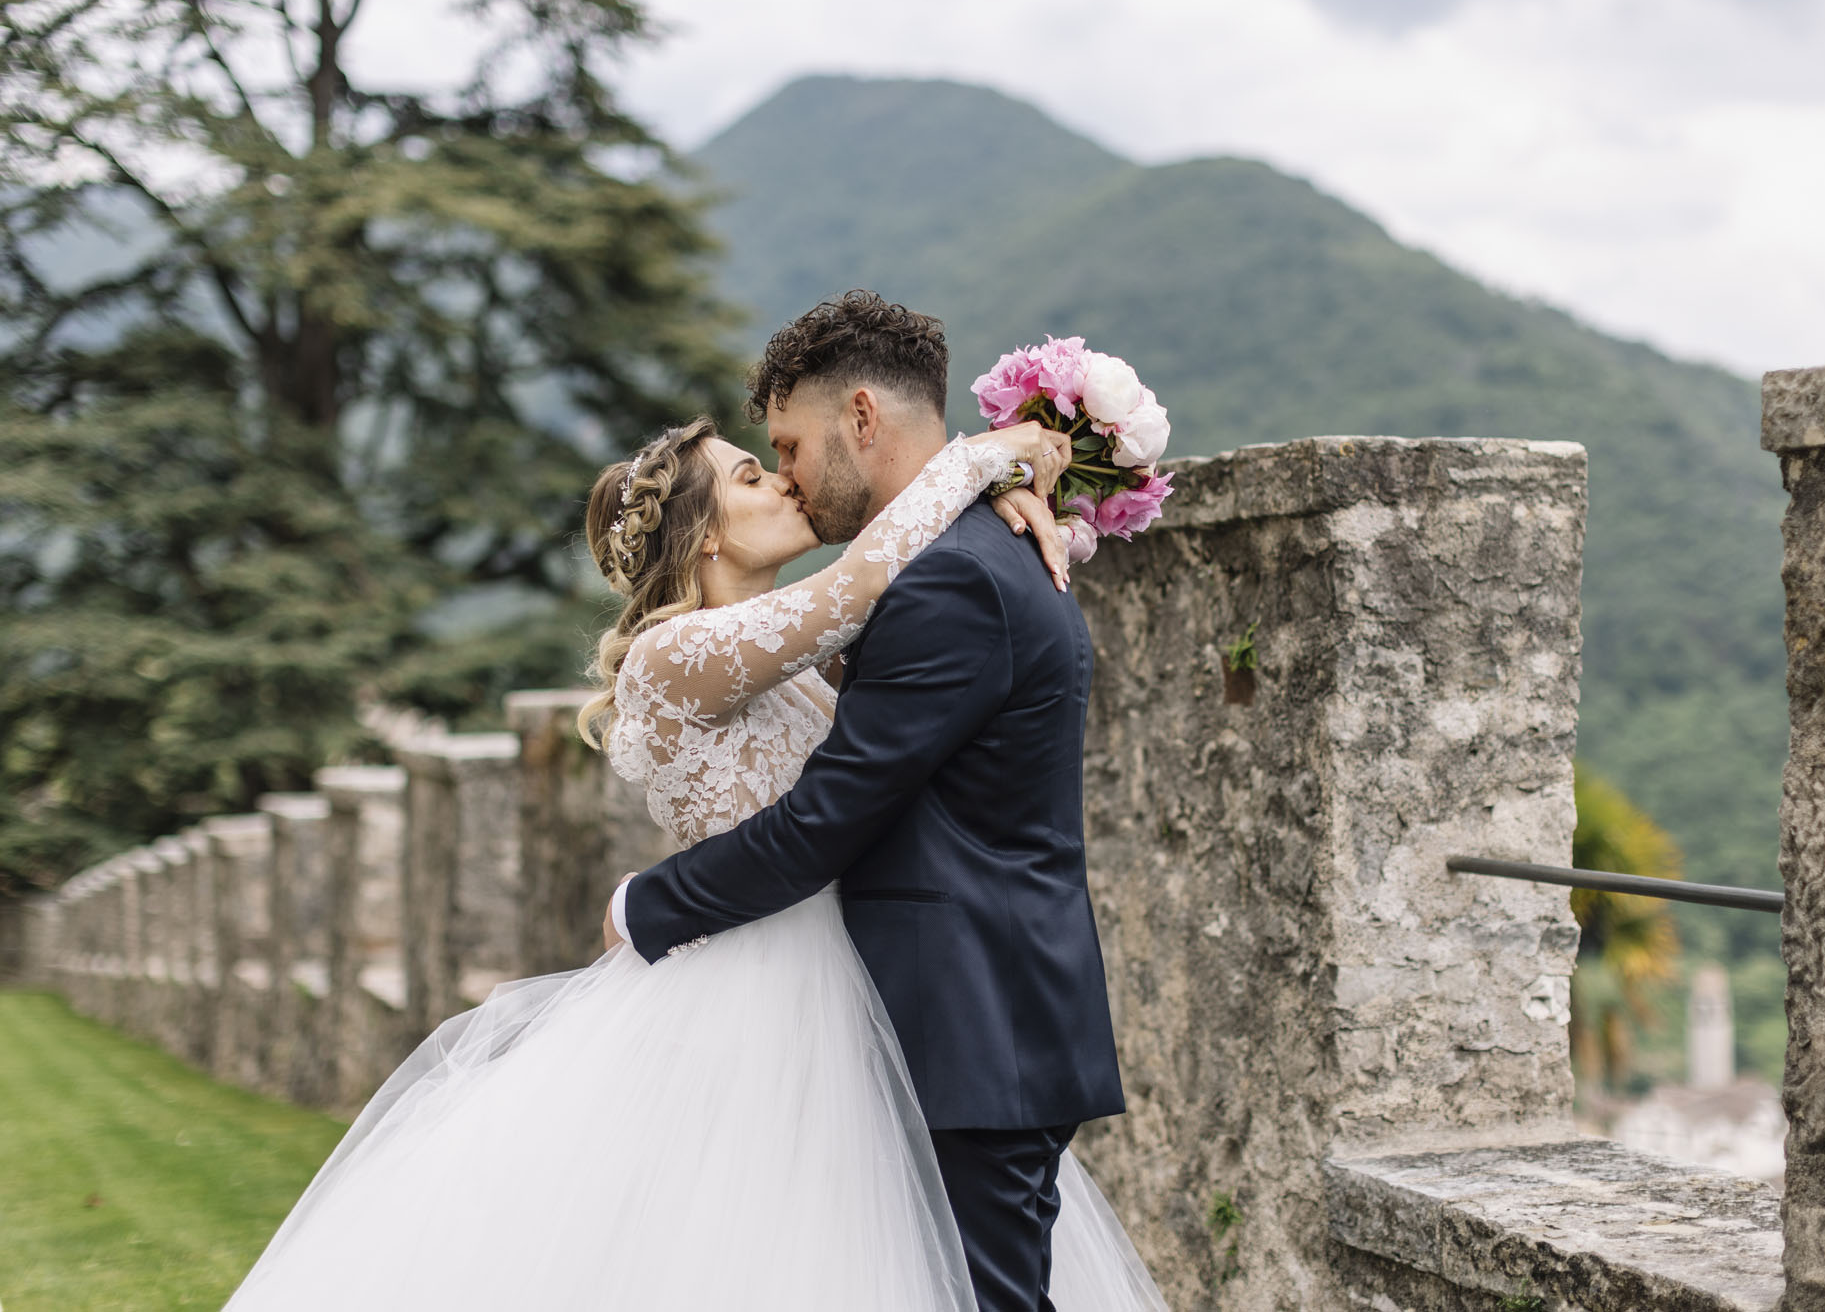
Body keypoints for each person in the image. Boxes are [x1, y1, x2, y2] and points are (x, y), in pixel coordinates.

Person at [223, 292, 1165, 1311]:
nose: (787, 477)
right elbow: (850, 604)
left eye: (779, 450)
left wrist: (995, 478)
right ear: (705, 535)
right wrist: (986, 464)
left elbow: (838, 785)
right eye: (757, 471)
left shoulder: (913, 597)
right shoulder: (694, 650)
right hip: (813, 1001)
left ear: (857, 417)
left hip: (923, 1009)